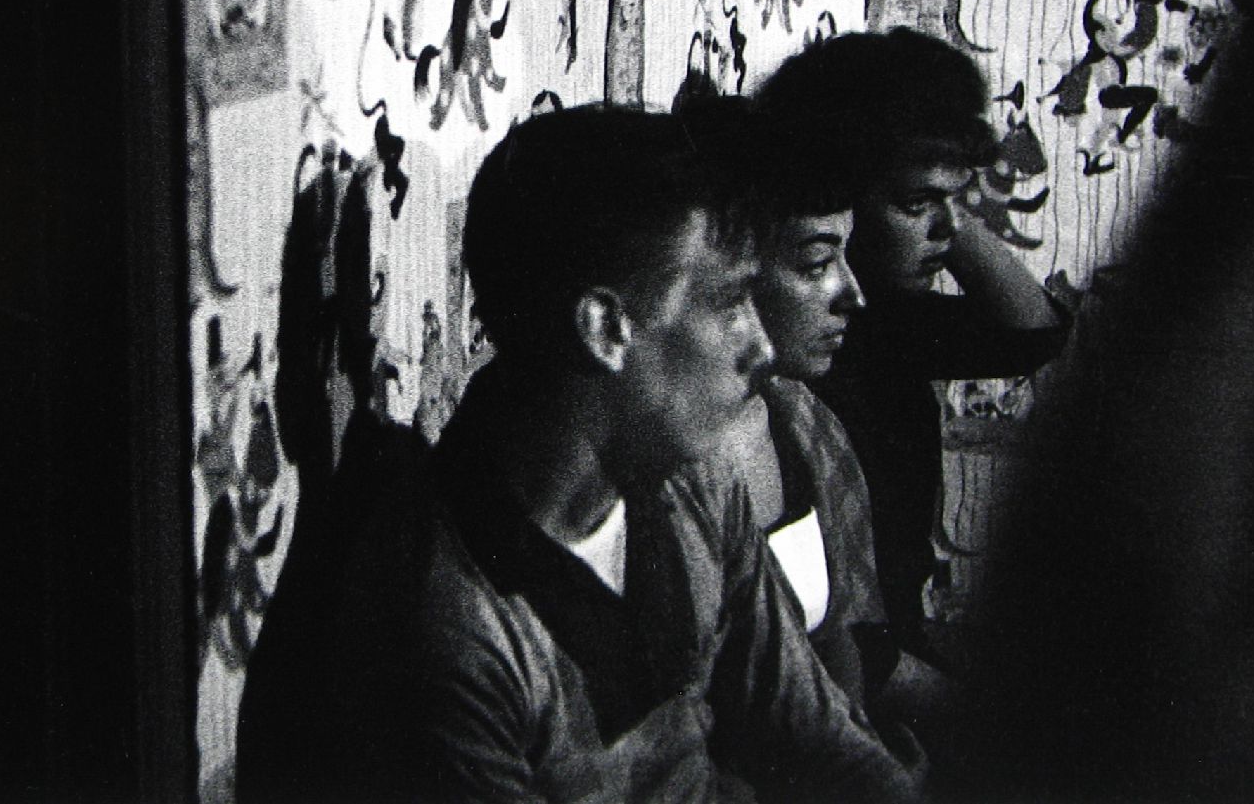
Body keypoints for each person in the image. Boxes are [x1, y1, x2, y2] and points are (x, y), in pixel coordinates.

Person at [243, 102, 920, 802]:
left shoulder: (695, 484)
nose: (761, 346)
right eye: (729, 301)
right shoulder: (451, 624)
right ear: (604, 327)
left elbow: (819, 738)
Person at [753, 30, 1069, 655]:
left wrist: (941, 205)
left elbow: (1033, 334)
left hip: (896, 644)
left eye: (956, 199)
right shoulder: (795, 353)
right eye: (915, 202)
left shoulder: (888, 321)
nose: (948, 228)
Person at [672, 72, 953, 753]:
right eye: (816, 261)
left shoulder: (801, 420)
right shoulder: (670, 460)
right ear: (727, 267)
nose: (851, 293)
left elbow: (845, 647)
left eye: (847, 256)